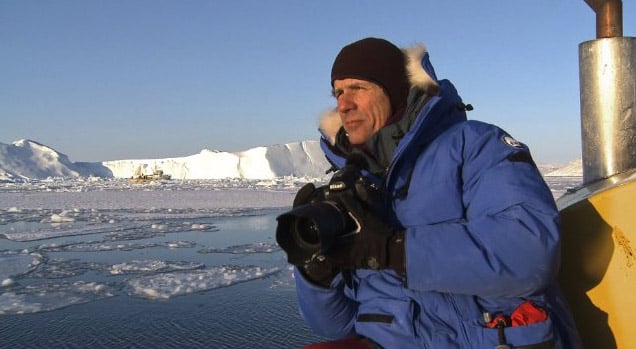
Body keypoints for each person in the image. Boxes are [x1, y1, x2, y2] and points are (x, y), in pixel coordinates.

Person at [281, 38, 582, 348]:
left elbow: (530, 253)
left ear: (394, 90)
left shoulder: (475, 145)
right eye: (338, 93)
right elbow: (334, 325)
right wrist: (316, 273)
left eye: (357, 88)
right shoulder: (350, 185)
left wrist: (392, 250)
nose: (343, 105)